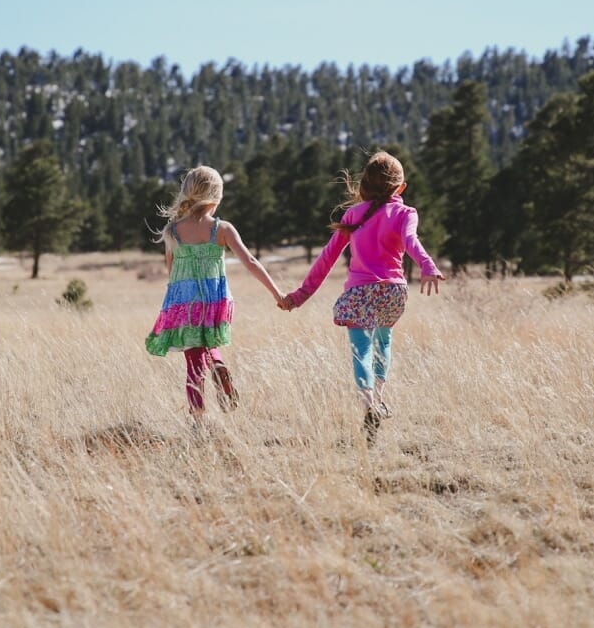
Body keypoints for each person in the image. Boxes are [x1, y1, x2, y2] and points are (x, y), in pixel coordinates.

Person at [279, 151, 443, 444]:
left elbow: (327, 257)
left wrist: (300, 295)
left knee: (361, 351)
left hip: (359, 293)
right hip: (393, 291)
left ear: (364, 185)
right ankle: (379, 398)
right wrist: (427, 265)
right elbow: (411, 241)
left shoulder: (353, 215)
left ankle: (368, 404)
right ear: (400, 188)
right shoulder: (406, 213)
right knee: (384, 342)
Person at [146, 165, 285, 420]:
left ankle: (197, 419)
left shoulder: (173, 231)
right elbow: (251, 261)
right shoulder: (222, 229)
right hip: (215, 300)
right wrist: (278, 294)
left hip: (185, 301)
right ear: (216, 197)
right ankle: (218, 364)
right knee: (208, 341)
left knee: (193, 363)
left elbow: (172, 271)